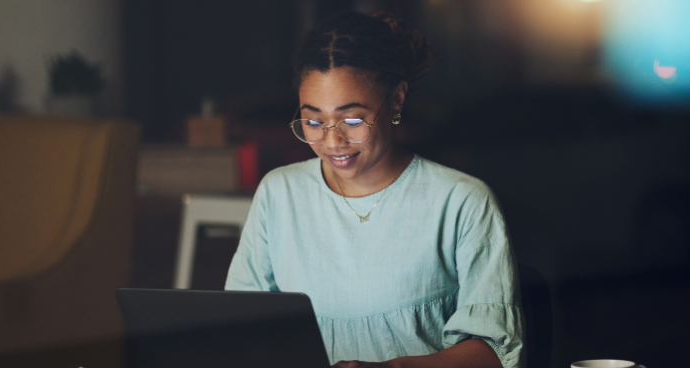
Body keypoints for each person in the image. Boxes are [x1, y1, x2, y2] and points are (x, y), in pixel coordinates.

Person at [224, 11, 524, 368]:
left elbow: (493, 353)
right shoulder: (280, 193)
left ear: (396, 99)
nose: (332, 141)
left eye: (352, 120)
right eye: (313, 122)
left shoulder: (460, 201)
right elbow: (238, 328)